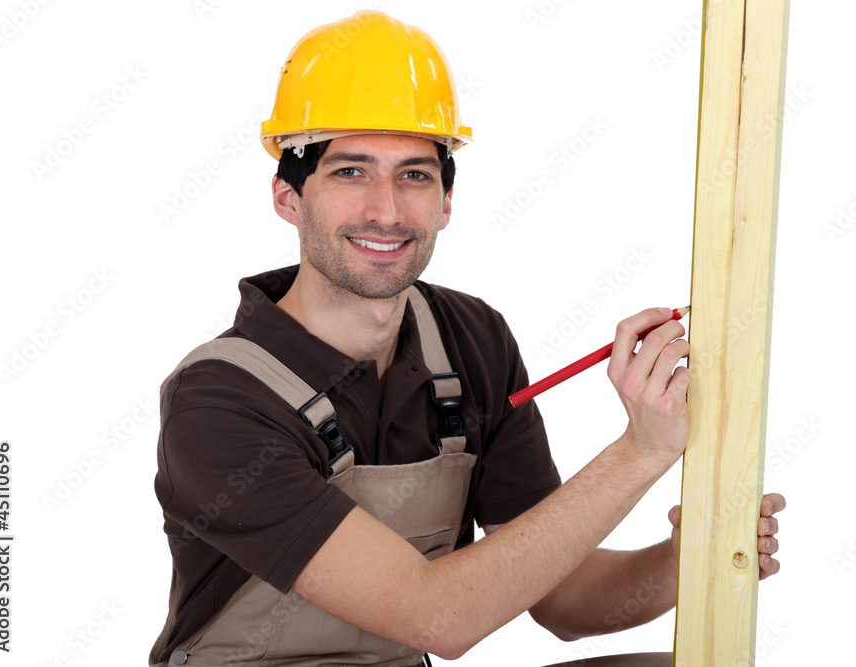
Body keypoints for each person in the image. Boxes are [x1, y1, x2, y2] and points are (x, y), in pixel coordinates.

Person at [149, 10, 784, 667]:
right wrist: (640, 452)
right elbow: (437, 618)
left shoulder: (471, 341)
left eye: (415, 175)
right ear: (289, 197)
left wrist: (691, 557)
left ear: (446, 203)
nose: (386, 210)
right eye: (350, 172)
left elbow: (561, 597)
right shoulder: (217, 401)